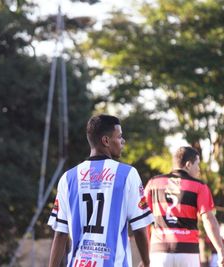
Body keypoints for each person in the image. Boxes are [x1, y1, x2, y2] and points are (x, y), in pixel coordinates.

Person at [48, 114, 154, 267]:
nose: (123, 141)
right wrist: (147, 262)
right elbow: (139, 228)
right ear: (106, 141)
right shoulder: (127, 174)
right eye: (119, 137)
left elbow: (60, 234)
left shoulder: (68, 178)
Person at [144, 146, 224, 267]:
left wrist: (145, 255)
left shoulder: (154, 183)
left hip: (158, 253)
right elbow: (208, 219)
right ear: (188, 165)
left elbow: (143, 219)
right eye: (197, 164)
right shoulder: (199, 186)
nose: (198, 169)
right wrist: (221, 251)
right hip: (187, 253)